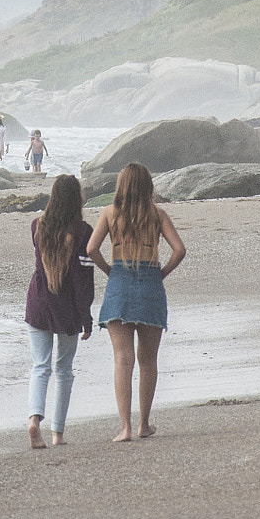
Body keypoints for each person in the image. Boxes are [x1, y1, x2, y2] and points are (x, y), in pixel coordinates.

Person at [86, 162, 186, 442]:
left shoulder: (109, 213)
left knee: (122, 360)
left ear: (121, 185)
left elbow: (91, 248)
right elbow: (179, 249)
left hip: (120, 282)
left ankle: (125, 428)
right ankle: (143, 424)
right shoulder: (158, 215)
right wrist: (161, 273)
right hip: (150, 284)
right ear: (147, 186)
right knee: (148, 360)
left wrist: (110, 271)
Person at [25, 174, 94, 449]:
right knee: (64, 370)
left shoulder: (36, 226)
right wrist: (86, 318)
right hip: (66, 308)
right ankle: (57, 433)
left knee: (40, 367)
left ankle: (33, 419)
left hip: (38, 302)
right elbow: (82, 281)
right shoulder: (83, 231)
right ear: (77, 198)